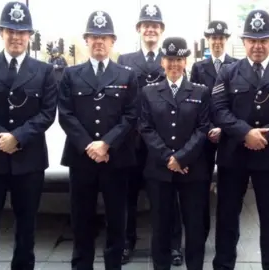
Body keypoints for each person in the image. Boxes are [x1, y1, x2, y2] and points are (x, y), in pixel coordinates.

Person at [0, 2, 58, 269]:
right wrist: (2, 136)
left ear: (30, 35)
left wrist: (17, 137)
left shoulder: (44, 71)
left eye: (22, 32)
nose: (16, 37)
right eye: (11, 31)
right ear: (1, 32)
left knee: (27, 230)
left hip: (28, 162)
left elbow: (47, 113)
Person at [210, 9, 269, 270]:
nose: (258, 45)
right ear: (244, 42)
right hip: (234, 155)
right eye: (252, 40)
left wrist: (267, 136)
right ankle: (224, 265)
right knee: (228, 215)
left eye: (263, 40)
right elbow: (218, 109)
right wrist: (245, 133)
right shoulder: (229, 72)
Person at [57, 10, 138, 270]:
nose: (99, 42)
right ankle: (82, 265)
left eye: (104, 37)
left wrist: (106, 144)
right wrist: (88, 145)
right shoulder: (71, 75)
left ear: (113, 41)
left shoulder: (127, 75)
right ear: (86, 40)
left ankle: (113, 265)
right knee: (81, 219)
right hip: (82, 159)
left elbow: (131, 115)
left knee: (117, 220)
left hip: (116, 158)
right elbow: (66, 114)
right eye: (94, 37)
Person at [117, 4, 184, 265]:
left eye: (155, 25)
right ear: (138, 29)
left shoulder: (171, 57)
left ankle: (173, 245)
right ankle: (127, 241)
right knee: (128, 195)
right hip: (133, 141)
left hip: (164, 141)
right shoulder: (125, 59)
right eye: (146, 25)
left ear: (162, 30)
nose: (150, 29)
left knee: (171, 196)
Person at [139, 37, 211, 270]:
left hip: (193, 170)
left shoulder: (200, 92)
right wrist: (168, 158)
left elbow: (203, 128)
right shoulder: (149, 92)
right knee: (160, 226)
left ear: (185, 61)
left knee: (194, 226)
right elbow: (146, 128)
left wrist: (181, 157)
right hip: (159, 171)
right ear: (162, 62)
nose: (174, 64)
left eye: (179, 59)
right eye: (170, 59)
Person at [190, 20, 238, 239]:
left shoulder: (237, 65)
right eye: (213, 38)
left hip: (229, 136)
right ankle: (202, 232)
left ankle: (226, 236)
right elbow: (194, 103)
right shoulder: (198, 68)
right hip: (206, 135)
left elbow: (238, 105)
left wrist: (225, 129)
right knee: (202, 187)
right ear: (207, 41)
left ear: (226, 40)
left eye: (220, 38)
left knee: (229, 190)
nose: (217, 42)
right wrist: (209, 128)